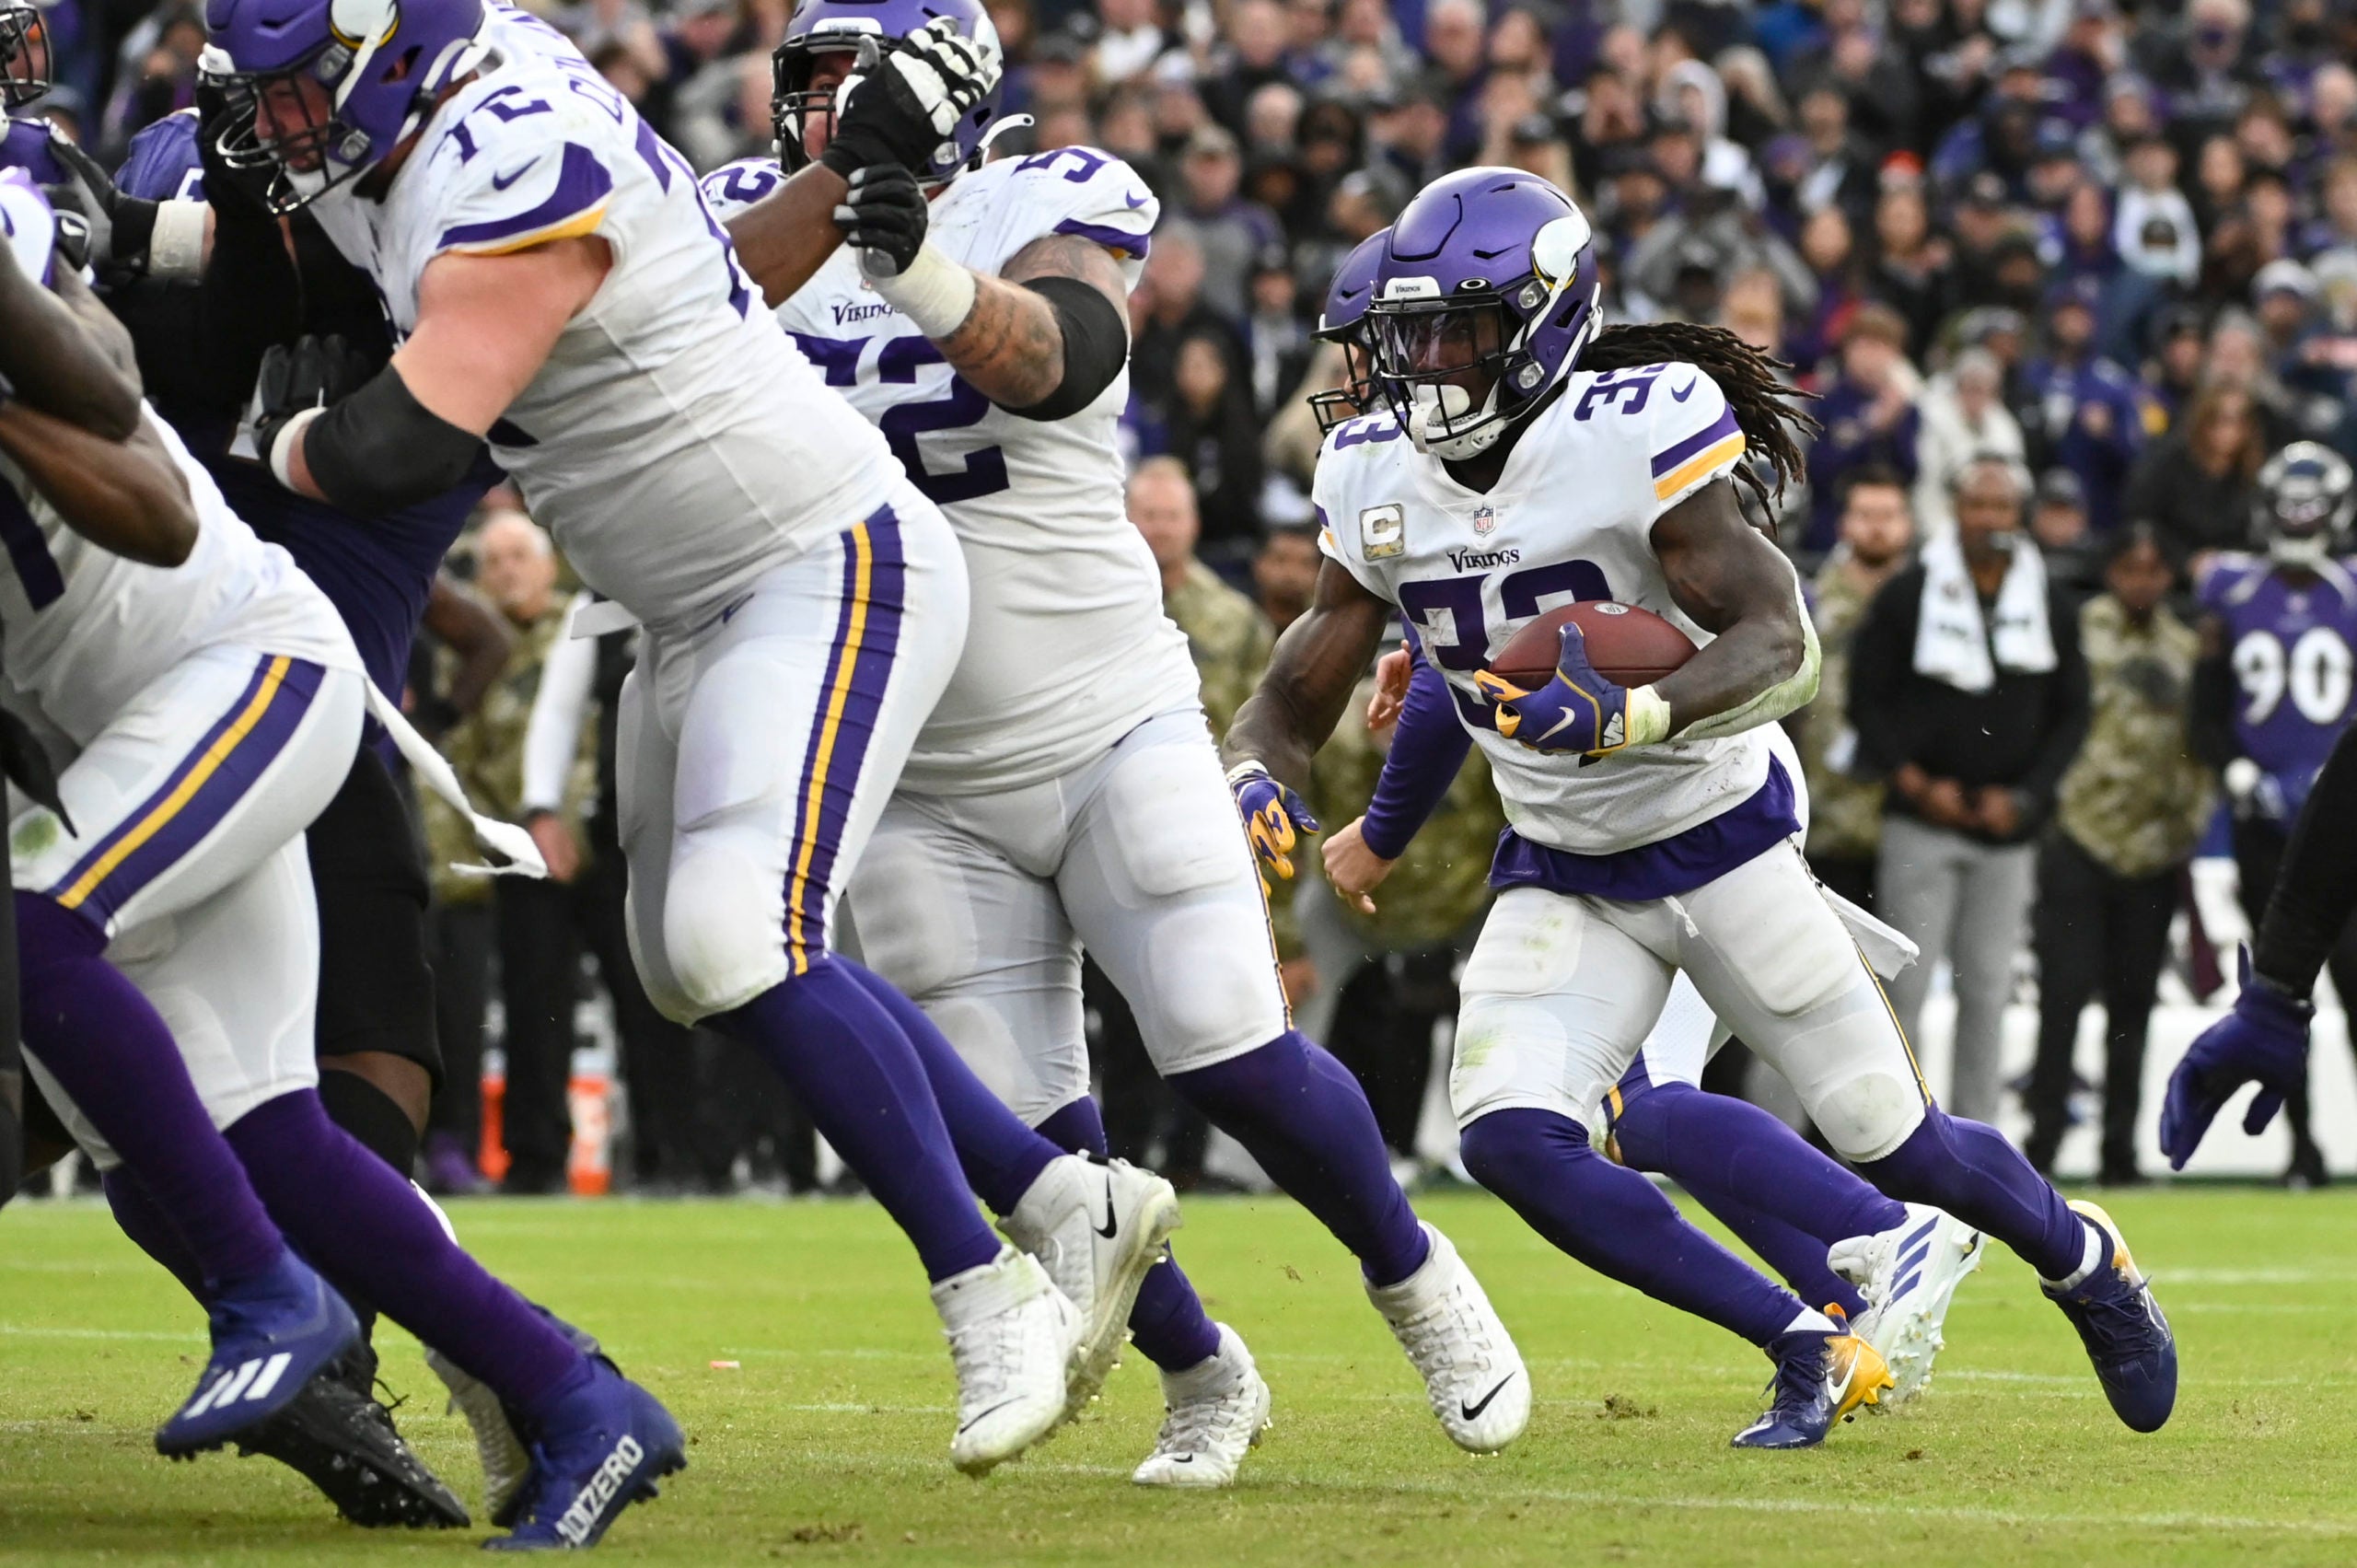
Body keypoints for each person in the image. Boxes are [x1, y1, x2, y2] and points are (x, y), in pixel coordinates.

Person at [201, 0, 1144, 1485]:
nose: (290, 127)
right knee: (693, 959)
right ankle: (1059, 1198)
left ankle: (992, 1285)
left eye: (309, 88)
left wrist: (277, 440)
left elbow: (398, 445)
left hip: (818, 561)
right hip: (683, 600)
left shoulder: (502, 163)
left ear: (397, 57)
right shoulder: (441, 92)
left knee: (731, 936)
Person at [705, 0, 1531, 1476]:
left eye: (864, 81)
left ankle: (1416, 1279)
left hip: (1102, 711)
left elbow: (1064, 354)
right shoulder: (740, 225)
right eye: (814, 80)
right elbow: (670, 317)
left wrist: (915, 266)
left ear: (947, 91)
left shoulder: (1055, 192)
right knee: (1038, 1149)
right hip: (910, 760)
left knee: (1227, 1043)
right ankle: (1207, 1369)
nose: (833, 109)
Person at [1234, 166, 2172, 1449]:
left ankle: (2085, 1258)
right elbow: (1297, 683)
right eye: (1416, 334)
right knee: (1512, 1136)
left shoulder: (1633, 429)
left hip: (1720, 836)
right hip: (1562, 861)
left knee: (1896, 1141)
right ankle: (1804, 1334)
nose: (1431, 364)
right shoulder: (1373, 473)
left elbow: (1783, 639)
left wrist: (1638, 711)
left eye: (1463, 329)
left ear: (1546, 321)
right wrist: (1254, 771)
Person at [0, 177, 671, 1547]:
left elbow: (155, 498)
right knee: (271, 1133)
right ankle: (581, 1394)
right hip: (116, 725)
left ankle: (268, 1296)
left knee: (27, 924)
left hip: (234, 662)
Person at [0, 167, 368, 1480]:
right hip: (77, 725)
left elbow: (139, 466)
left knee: (43, 950)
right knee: (236, 1133)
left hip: (226, 661)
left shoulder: (33, 214)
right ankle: (554, 1384)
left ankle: (280, 1301)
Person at [1850, 456, 2092, 1124]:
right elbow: (1866, 699)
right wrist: (1915, 782)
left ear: (2021, 517)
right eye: (1978, 506)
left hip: (2006, 830)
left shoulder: (2049, 602)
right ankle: (1898, 1137)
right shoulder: (1912, 591)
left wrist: (2028, 795)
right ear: (1956, 510)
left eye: (2002, 508)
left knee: (1988, 991)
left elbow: (2075, 711)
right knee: (1909, 990)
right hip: (1920, 820)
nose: (1990, 519)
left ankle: (1977, 1142)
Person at [2024, 527, 2215, 1183]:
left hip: (2154, 851)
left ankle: (2120, 1151)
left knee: (2134, 1004)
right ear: (2112, 573)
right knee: (2062, 997)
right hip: (2077, 837)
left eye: (2153, 570)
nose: (2142, 581)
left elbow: (2202, 743)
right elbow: (2043, 721)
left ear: (2167, 578)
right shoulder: (2073, 634)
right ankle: (2041, 1144)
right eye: (2130, 568)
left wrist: (2189, 824)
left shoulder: (2186, 649)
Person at [2189, 442, 2357, 1186]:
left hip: (2344, 823)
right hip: (2262, 826)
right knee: (2281, 995)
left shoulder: (2349, 588)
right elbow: (2206, 708)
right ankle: (2302, 1148)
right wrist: (2234, 764)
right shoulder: (2229, 588)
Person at [1797, 465, 1915, 911]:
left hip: (1908, 817)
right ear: (1844, 522)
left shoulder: (1932, 605)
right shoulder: (1808, 603)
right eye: (1865, 514)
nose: (1878, 526)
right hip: (1826, 814)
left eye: (1889, 514)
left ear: (1909, 523)